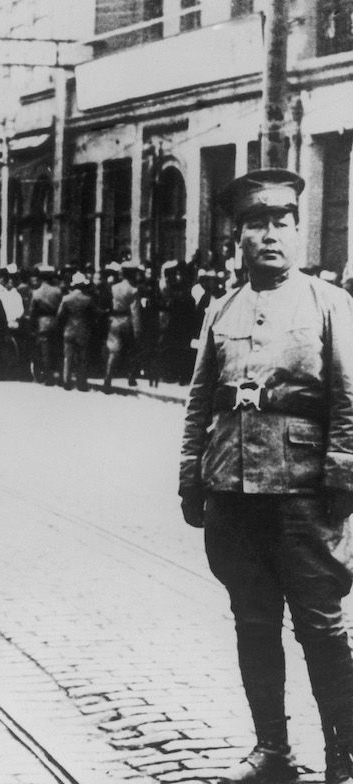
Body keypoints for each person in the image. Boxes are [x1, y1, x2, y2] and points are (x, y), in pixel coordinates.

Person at [180, 169, 353, 784]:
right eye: (257, 224)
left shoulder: (330, 305)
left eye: (282, 223)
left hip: (304, 492)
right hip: (231, 489)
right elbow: (200, 399)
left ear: (298, 231)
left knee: (320, 627)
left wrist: (341, 477)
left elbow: (350, 398)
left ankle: (345, 755)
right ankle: (272, 751)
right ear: (238, 236)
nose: (271, 235)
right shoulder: (223, 307)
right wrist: (190, 476)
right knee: (253, 623)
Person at [103, 259, 142, 392]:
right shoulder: (133, 290)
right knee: (131, 350)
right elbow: (135, 312)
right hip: (127, 320)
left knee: (113, 351)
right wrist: (137, 330)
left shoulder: (114, 287)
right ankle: (131, 377)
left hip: (114, 319)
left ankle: (108, 378)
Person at [56, 271, 95, 392]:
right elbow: (94, 314)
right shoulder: (87, 299)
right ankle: (81, 383)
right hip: (82, 329)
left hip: (69, 329)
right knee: (82, 357)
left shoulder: (66, 299)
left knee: (68, 357)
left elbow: (59, 315)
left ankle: (67, 382)